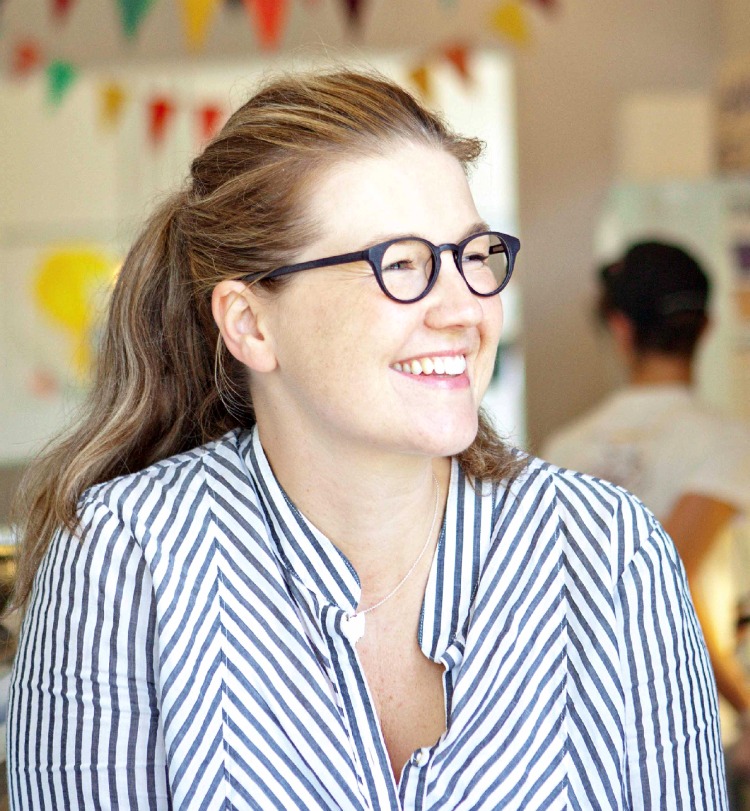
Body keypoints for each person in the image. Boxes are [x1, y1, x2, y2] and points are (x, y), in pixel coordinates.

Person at [7, 71, 727, 809]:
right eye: (402, 263)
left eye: (474, 256)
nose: (464, 309)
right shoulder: (124, 557)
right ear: (250, 323)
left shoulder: (609, 552)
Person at [543, 240, 750, 800]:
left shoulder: (563, 448)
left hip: (578, 725)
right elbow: (670, 586)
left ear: (620, 328)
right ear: (705, 327)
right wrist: (745, 704)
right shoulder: (727, 442)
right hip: (687, 729)